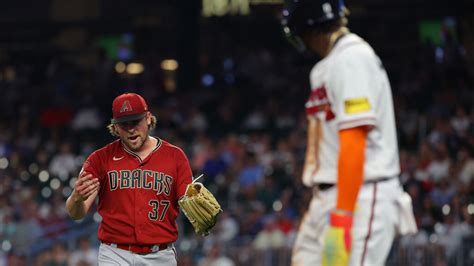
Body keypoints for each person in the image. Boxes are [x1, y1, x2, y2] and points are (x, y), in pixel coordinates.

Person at [281, 0, 418, 265]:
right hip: (326, 196)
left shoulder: (352, 58)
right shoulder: (328, 65)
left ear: (309, 28)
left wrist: (343, 217)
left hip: (361, 195)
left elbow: (354, 138)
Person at [66, 92, 193, 265]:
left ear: (148, 118)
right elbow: (76, 214)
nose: (131, 129)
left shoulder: (175, 157)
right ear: (115, 127)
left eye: (136, 121)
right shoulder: (99, 159)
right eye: (124, 124)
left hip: (160, 255)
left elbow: (190, 204)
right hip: (115, 254)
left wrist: (196, 207)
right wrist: (75, 199)